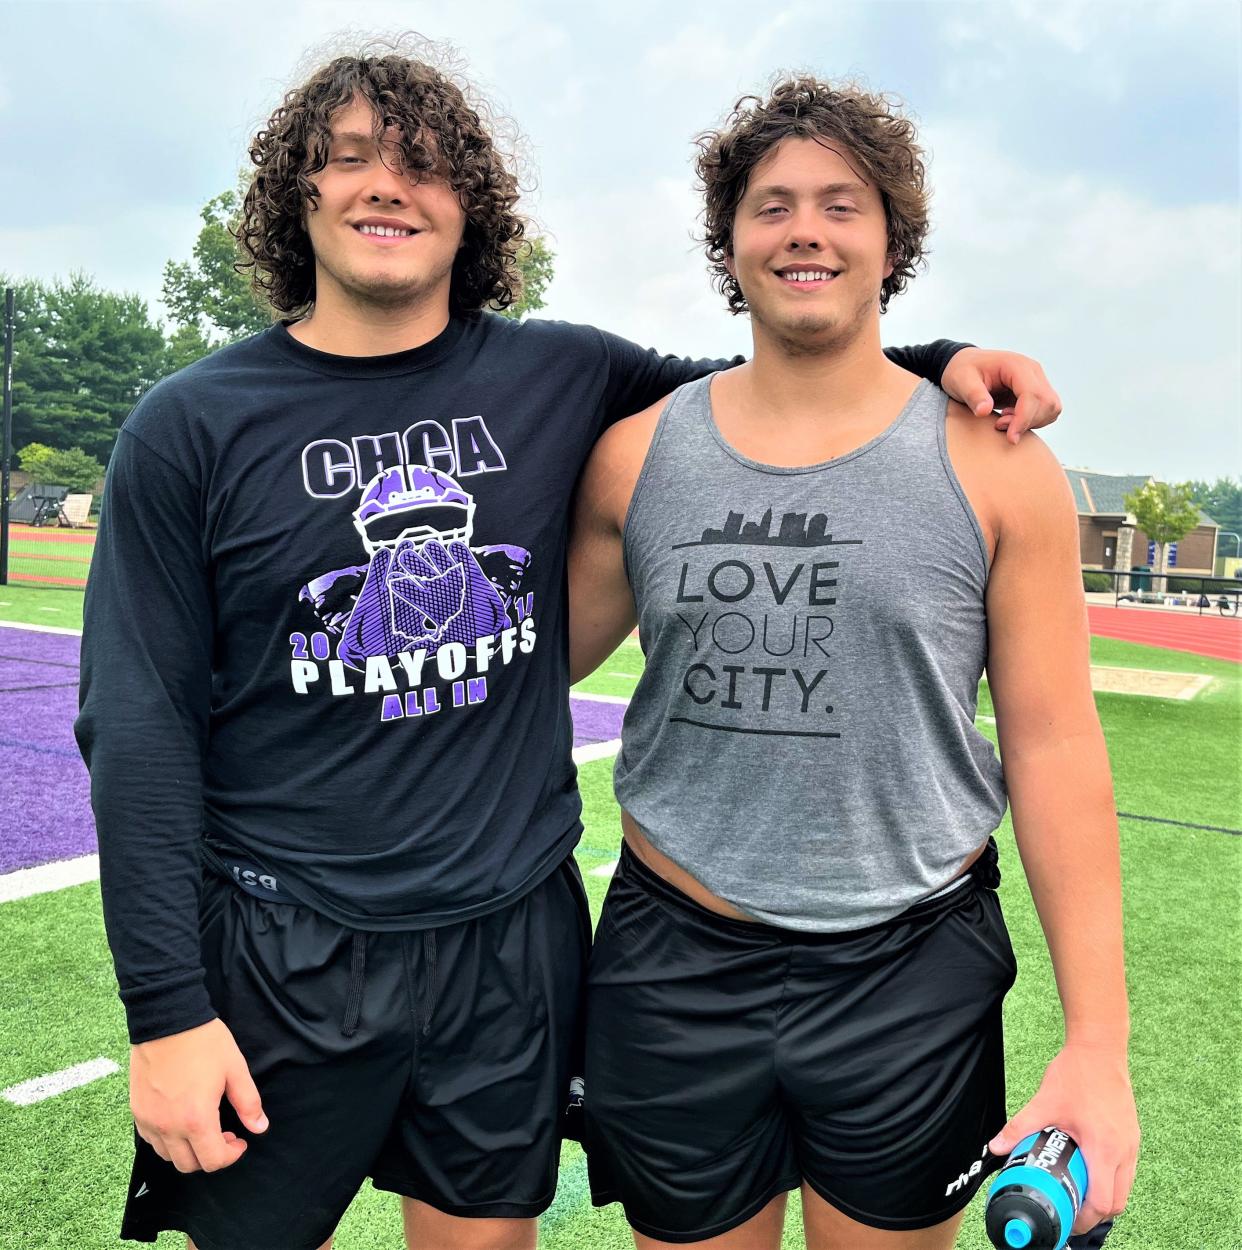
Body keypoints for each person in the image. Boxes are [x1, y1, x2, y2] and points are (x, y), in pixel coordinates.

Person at [74, 43, 1063, 1250]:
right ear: (300, 194)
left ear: (470, 208)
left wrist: (944, 357)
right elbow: (136, 729)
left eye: (422, 166)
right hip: (284, 939)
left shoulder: (557, 371)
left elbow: (775, 374)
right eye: (348, 162)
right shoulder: (192, 425)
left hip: (507, 936)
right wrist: (167, 1012)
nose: (386, 186)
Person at [569, 76, 1138, 1250]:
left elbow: (1053, 740)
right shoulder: (634, 455)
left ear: (892, 238)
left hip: (910, 969)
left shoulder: (997, 462)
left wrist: (1098, 1045)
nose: (806, 231)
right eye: (772, 206)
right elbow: (521, 666)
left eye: (842, 204)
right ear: (731, 242)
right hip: (675, 959)